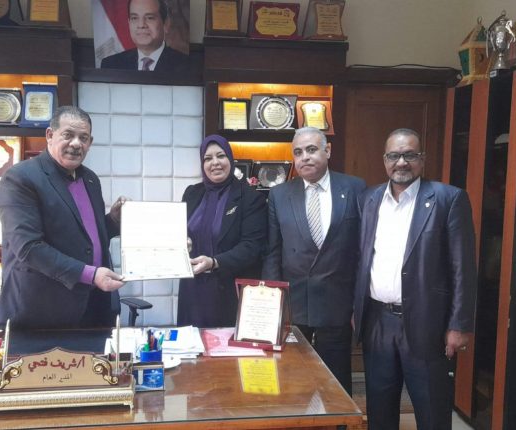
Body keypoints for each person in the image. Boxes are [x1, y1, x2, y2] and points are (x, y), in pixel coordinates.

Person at [353, 128, 477, 430]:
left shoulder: (448, 199)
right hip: (377, 321)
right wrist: (356, 310)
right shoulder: (368, 199)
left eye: (409, 155)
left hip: (427, 324)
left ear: (422, 159)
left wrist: (459, 324)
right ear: (384, 160)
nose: (401, 162)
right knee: (380, 409)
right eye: (394, 155)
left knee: (431, 409)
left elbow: (463, 267)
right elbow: (361, 258)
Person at [0, 106, 126, 330]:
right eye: (68, 135)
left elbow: (85, 236)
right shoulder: (21, 178)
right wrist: (91, 275)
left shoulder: (90, 179)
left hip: (93, 306)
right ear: (50, 135)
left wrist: (113, 220)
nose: (76, 143)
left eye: (83, 138)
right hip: (42, 309)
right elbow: (28, 248)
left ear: (90, 142)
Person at [262, 127, 366, 395]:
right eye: (298, 152)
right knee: (294, 383)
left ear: (327, 151)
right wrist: (273, 303)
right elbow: (273, 252)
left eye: (311, 150)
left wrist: (359, 303)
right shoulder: (279, 194)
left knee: (336, 385)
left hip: (337, 305)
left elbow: (362, 250)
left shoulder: (355, 188)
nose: (304, 157)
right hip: (294, 306)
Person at [178, 135, 267, 327]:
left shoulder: (250, 198)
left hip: (228, 292)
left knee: (225, 344)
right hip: (192, 290)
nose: (215, 163)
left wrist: (214, 262)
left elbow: (252, 247)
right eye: (208, 158)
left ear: (230, 159)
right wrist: (182, 241)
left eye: (221, 156)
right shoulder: (192, 193)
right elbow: (179, 231)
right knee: (191, 343)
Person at [99, 0, 189, 72]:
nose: (141, 25)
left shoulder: (186, 65)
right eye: (135, 18)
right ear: (129, 23)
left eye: (149, 18)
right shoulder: (110, 64)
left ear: (166, 24)